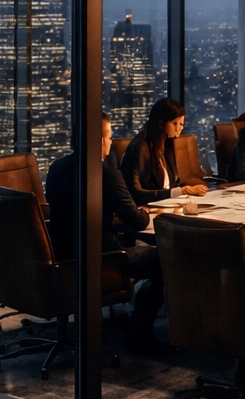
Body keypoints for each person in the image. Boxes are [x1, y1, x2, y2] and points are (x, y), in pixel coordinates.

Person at [45, 116, 172, 355]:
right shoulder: (108, 175)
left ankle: (127, 321)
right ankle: (139, 333)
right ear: (98, 141)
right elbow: (136, 220)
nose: (111, 141)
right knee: (164, 259)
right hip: (101, 261)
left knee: (137, 244)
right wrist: (145, 212)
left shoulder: (57, 168)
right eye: (109, 136)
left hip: (62, 256)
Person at [120, 98, 208, 206]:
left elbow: (171, 185)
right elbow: (135, 194)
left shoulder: (166, 144)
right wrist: (181, 191)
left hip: (166, 206)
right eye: (175, 124)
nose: (179, 129)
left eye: (181, 124)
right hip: (145, 211)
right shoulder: (140, 148)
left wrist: (188, 189)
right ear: (161, 123)